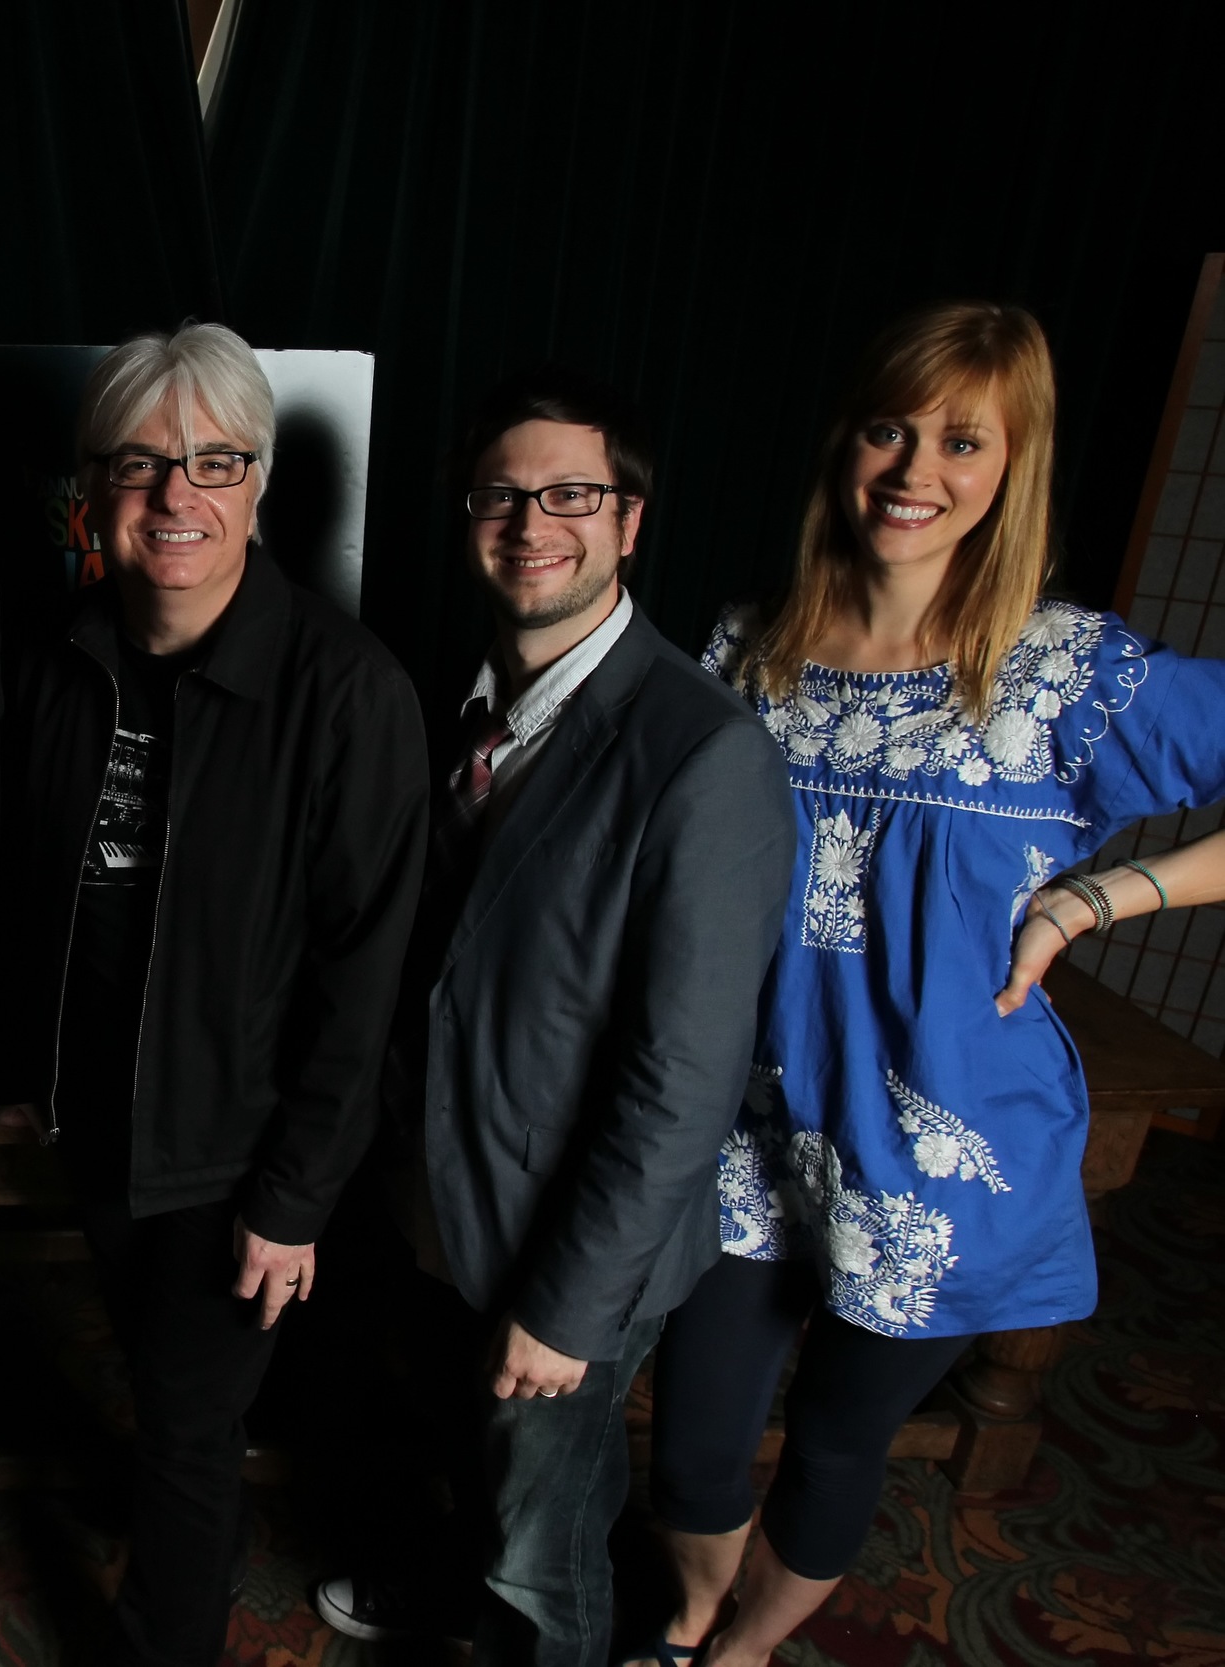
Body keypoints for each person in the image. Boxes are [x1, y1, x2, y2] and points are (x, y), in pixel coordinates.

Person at [633, 301, 1225, 1667]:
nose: (916, 468)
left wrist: (1104, 891)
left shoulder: (1062, 671)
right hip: (744, 1128)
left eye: (963, 438)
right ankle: (686, 1606)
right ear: (847, 440)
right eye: (891, 427)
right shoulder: (749, 648)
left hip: (945, 1145)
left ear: (1012, 464)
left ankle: (733, 1652)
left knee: (839, 1443)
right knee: (700, 1438)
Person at [313, 370, 795, 1667]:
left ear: (630, 521)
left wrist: (572, 1305)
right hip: (445, 1199)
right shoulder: (464, 707)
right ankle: (447, 1595)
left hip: (571, 1245)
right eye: (503, 494)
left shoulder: (703, 753)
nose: (534, 521)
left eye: (572, 494)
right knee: (472, 1476)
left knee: (542, 1540)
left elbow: (684, 1079)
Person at [0, 322, 430, 1667]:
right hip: (100, 1125)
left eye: (213, 461)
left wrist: (292, 1196)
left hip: (236, 1155)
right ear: (93, 489)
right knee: (167, 1395)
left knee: (186, 1429)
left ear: (258, 481)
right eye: (140, 463)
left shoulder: (347, 692)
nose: (175, 496)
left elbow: (370, 982)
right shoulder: (58, 657)